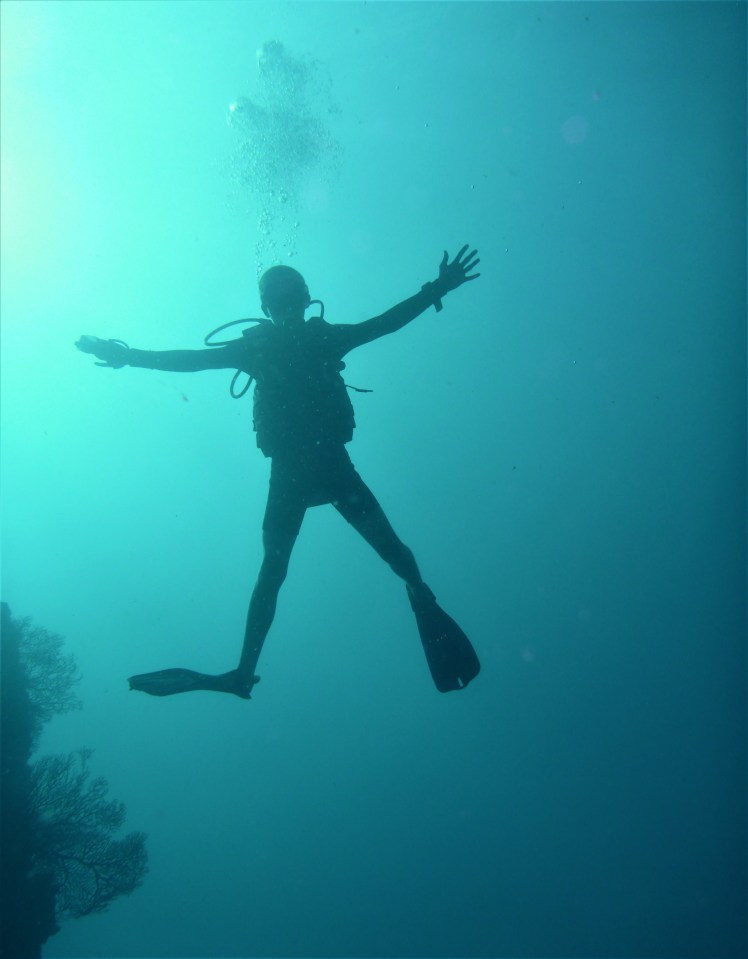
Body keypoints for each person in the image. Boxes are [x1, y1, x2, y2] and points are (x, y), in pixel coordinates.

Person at [76, 246, 481, 699]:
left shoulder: (272, 347)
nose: (286, 305)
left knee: (312, 564)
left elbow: (191, 359)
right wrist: (437, 289)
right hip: (316, 468)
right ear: (286, 303)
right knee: (316, 563)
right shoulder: (289, 344)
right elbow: (383, 324)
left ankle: (252, 667)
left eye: (288, 297)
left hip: (306, 469)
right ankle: (247, 671)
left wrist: (130, 356)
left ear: (285, 302)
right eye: (283, 298)